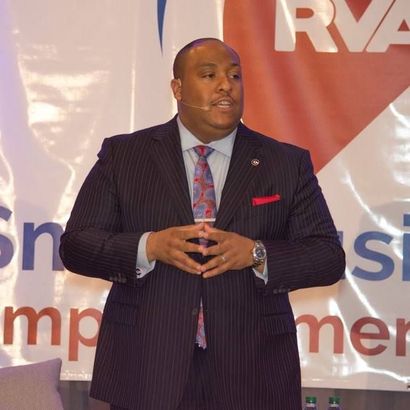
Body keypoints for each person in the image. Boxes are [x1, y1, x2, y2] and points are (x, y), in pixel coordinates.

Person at [59, 38, 345, 410]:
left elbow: (327, 257)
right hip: (148, 367)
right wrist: (149, 247)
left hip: (252, 373)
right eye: (209, 75)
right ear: (178, 88)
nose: (226, 85)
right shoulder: (125, 156)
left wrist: (257, 253)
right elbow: (77, 244)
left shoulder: (284, 163)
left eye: (235, 75)